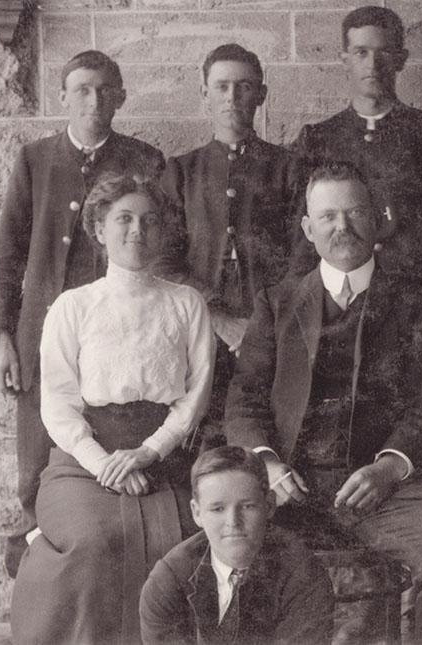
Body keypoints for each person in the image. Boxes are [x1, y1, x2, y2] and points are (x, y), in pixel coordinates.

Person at [224, 161, 422, 638]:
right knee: (230, 556)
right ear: (307, 229)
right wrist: (269, 465)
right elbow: (245, 401)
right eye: (328, 216)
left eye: (355, 212)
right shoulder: (277, 302)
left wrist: (388, 467)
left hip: (387, 489)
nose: (342, 227)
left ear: (378, 219)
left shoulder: (417, 302)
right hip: (291, 485)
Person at [10, 173, 215, 644]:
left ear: (162, 230)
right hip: (82, 464)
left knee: (186, 537)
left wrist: (148, 453)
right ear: (99, 229)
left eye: (149, 220)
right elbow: (58, 405)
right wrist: (108, 466)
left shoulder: (187, 304)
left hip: (164, 460)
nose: (137, 231)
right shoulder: (73, 306)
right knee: (95, 541)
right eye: (123, 219)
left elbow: (194, 397)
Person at [0, 49, 164, 577]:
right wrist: (1, 338)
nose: (94, 100)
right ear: (62, 96)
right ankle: (35, 596)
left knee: (109, 470)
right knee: (34, 471)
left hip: (118, 340)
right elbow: (6, 256)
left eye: (106, 90)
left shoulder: (145, 161)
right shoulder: (35, 160)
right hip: (43, 341)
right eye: (82, 89)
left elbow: (161, 249)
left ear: (122, 98)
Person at [289, 5, 422, 332]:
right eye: (361, 52)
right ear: (344, 59)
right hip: (339, 310)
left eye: (383, 52)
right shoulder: (317, 140)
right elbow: (301, 237)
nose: (372, 65)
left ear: (401, 59)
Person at [160, 44, 297, 440]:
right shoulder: (181, 171)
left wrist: (264, 320)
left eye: (244, 87)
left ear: (262, 95)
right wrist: (218, 319)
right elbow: (164, 261)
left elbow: (304, 255)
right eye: (221, 87)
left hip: (274, 328)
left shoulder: (289, 168)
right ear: (205, 94)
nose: (232, 98)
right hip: (200, 331)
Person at [139, 446, 335, 645]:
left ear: (269, 505)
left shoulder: (303, 574)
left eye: (247, 506)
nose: (233, 521)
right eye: (217, 509)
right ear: (197, 513)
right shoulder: (168, 579)